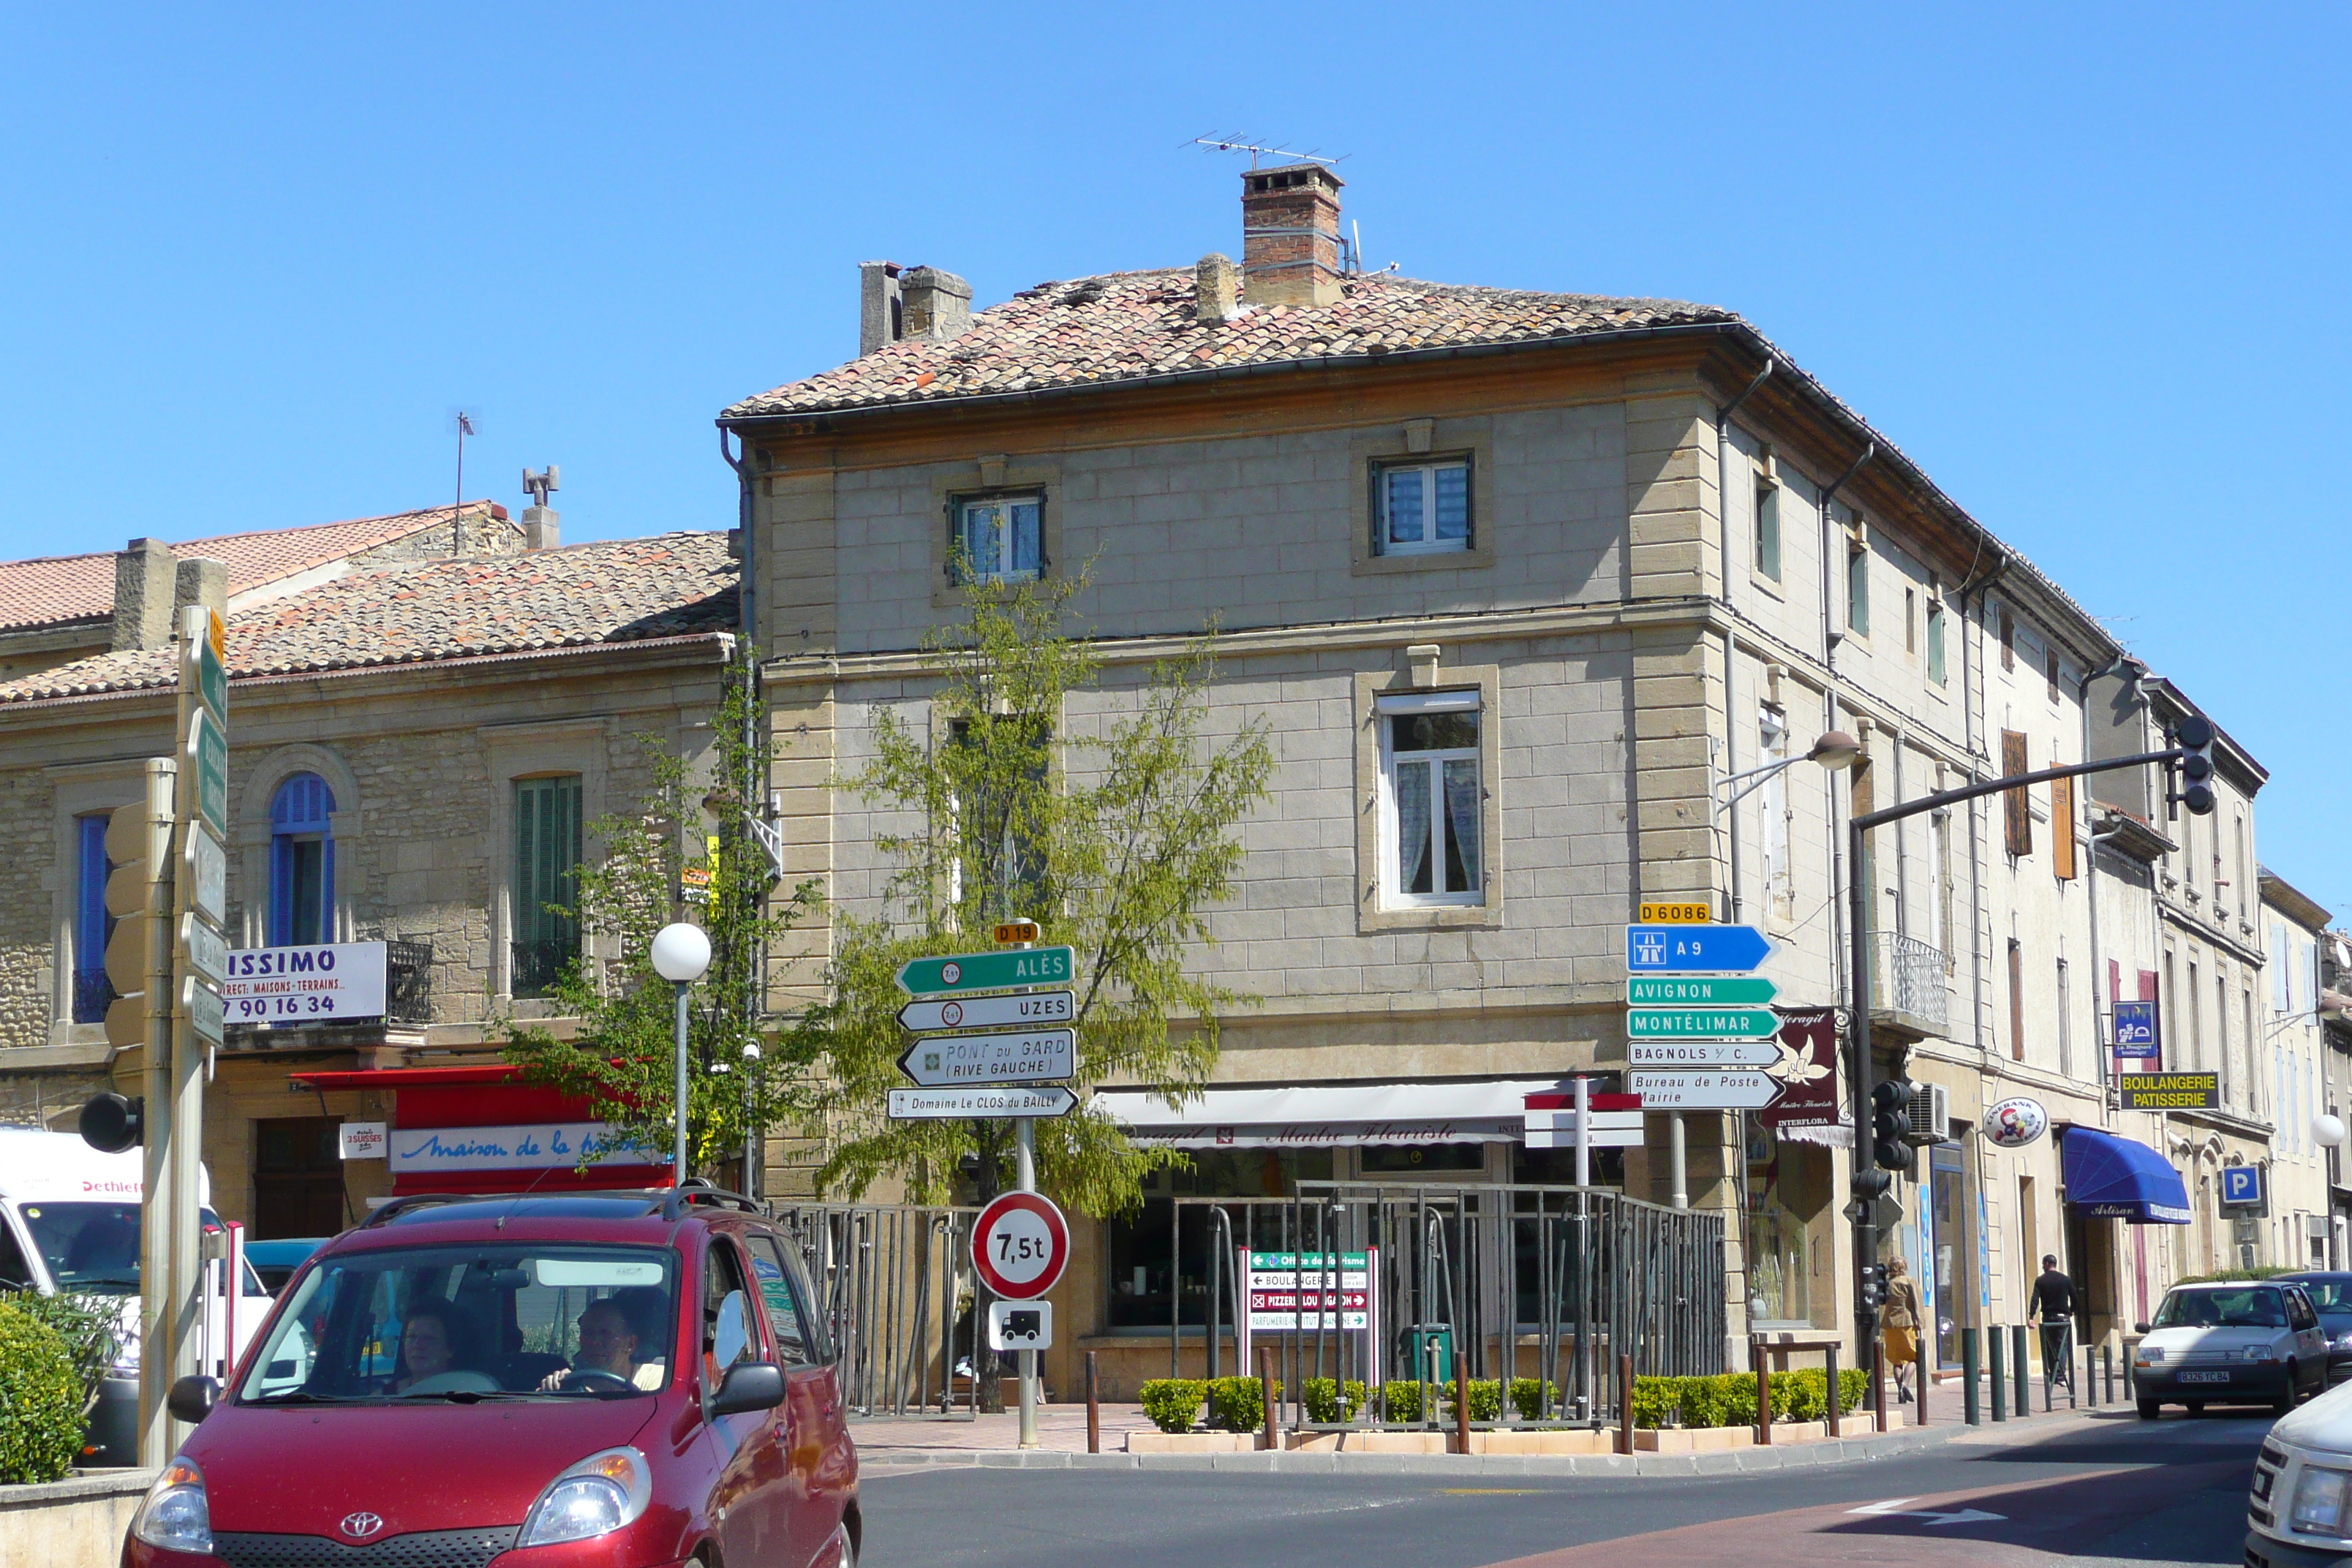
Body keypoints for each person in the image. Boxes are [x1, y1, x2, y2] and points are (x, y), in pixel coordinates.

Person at [540, 1297, 666, 1391]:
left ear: (630, 1344)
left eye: (606, 1334)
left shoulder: (659, 1380)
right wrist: (552, 1390)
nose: (595, 1342)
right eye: (588, 1333)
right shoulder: (571, 1386)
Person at [389, 1305, 464, 1393]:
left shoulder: (468, 1398)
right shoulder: (381, 1399)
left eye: (429, 1338)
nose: (417, 1345)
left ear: (450, 1349)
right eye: (411, 1337)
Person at [2028, 1254, 2075, 1390]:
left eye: (2043, 1264)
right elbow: (2075, 1297)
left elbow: (2035, 1299)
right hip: (2063, 1318)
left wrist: (2031, 1316)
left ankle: (2053, 1374)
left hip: (2048, 1317)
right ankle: (2060, 1376)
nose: (2043, 1267)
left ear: (2048, 1264)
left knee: (2050, 1347)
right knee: (2062, 1346)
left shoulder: (2041, 1280)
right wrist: (2071, 1310)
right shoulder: (2065, 1280)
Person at [1882, 1256, 1925, 1403]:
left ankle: (1900, 1391)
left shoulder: (1887, 1284)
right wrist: (1920, 1322)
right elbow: (1917, 1303)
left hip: (1890, 1324)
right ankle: (1905, 1385)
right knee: (1915, 1357)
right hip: (1907, 1322)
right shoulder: (1909, 1281)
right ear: (1904, 1267)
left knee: (1897, 1361)